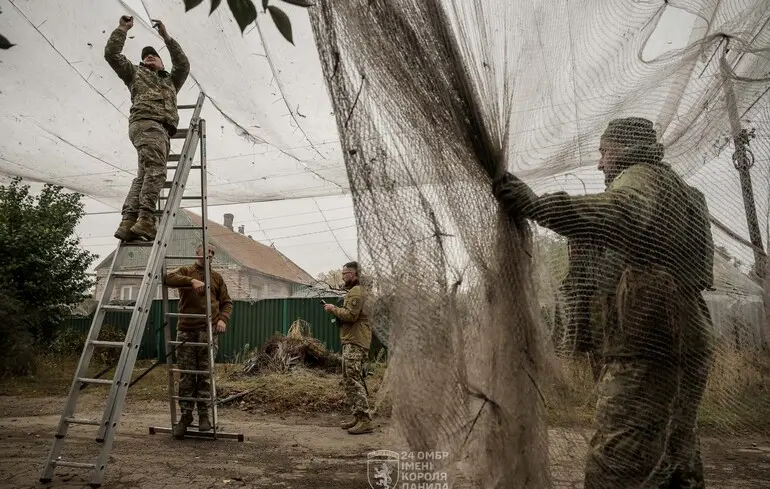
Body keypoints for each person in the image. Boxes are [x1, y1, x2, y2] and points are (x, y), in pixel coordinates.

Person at [493, 117, 714, 488]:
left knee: (617, 460)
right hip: (685, 334)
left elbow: (619, 213)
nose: (599, 164)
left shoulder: (644, 176)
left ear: (624, 149)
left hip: (653, 339)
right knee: (675, 448)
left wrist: (537, 206)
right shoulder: (684, 192)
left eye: (604, 153)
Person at [104, 15, 190, 242]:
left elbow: (183, 64)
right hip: (148, 125)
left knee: (143, 176)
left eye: (154, 54)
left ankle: (128, 222)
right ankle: (145, 219)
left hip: (155, 129)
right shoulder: (135, 73)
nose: (149, 55)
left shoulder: (170, 81)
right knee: (157, 171)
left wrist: (166, 37)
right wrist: (122, 29)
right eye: (145, 56)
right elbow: (112, 55)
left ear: (162, 63)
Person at [165, 244, 232, 438]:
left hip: (208, 331)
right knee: (187, 375)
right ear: (197, 253)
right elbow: (168, 278)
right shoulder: (186, 271)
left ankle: (204, 416)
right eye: (205, 251)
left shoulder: (217, 278)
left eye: (212, 253)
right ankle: (186, 417)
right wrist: (191, 281)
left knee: (204, 374)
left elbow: (227, 302)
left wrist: (222, 319)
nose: (209, 255)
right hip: (186, 331)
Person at [324, 261, 374, 434]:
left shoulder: (357, 292)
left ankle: (365, 419)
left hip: (356, 341)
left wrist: (332, 309)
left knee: (353, 379)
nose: (343, 276)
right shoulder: (355, 291)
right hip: (352, 340)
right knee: (349, 379)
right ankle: (358, 416)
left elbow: (351, 316)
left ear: (353, 274)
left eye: (344, 273)